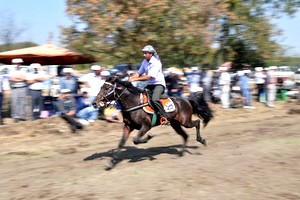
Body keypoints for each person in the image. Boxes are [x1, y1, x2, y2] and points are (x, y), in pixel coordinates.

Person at [128, 45, 170, 124]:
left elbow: (148, 77)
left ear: (151, 54)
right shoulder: (144, 61)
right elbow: (139, 73)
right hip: (150, 85)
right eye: (143, 53)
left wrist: (134, 79)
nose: (144, 55)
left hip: (159, 84)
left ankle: (164, 117)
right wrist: (131, 78)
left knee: (155, 99)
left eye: (145, 53)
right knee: (139, 96)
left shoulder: (156, 63)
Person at [9, 58, 28, 122]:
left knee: (22, 102)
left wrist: (17, 78)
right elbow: (11, 79)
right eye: (17, 63)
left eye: (19, 63)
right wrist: (20, 78)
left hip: (23, 87)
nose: (18, 64)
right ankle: (15, 116)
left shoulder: (24, 70)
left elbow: (25, 78)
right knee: (14, 102)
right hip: (14, 88)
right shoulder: (11, 70)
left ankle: (22, 116)